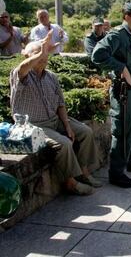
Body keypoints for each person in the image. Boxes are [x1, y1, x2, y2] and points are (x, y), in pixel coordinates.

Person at [9, 31, 102, 195]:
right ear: (27, 56)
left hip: (54, 120)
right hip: (33, 126)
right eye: (37, 54)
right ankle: (71, 182)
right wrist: (41, 52)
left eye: (44, 54)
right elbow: (23, 68)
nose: (43, 57)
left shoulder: (50, 76)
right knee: (64, 144)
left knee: (85, 132)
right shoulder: (20, 75)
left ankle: (85, 173)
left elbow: (60, 103)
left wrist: (67, 125)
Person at [92, 0, 131, 189]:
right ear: (127, 16)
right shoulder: (118, 35)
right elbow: (98, 55)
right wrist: (121, 68)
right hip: (125, 92)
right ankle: (116, 172)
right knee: (123, 132)